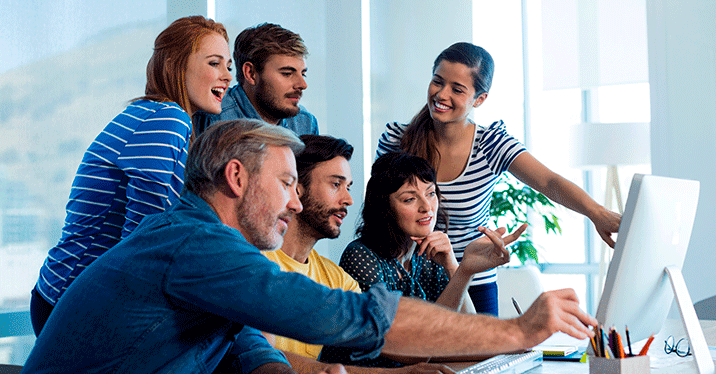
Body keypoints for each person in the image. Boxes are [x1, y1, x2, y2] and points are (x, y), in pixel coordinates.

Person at [22, 120, 597, 374]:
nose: (296, 204)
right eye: (287, 184)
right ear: (236, 180)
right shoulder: (195, 245)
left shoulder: (195, 246)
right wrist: (520, 334)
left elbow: (248, 353)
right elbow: (348, 318)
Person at [377, 42, 622, 315]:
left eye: (457, 89)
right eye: (438, 81)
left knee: (484, 359)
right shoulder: (398, 140)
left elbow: (547, 181)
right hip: (409, 282)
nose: (442, 94)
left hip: (473, 283)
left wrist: (596, 213)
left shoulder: (490, 143)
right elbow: (379, 210)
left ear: (479, 99)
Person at [29, 15, 233, 336]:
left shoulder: (153, 114)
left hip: (68, 293)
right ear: (176, 65)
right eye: (214, 63)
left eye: (229, 66)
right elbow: (146, 240)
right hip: (77, 302)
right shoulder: (168, 118)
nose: (226, 76)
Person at [262, 135, 454, 373]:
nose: (349, 200)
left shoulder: (337, 279)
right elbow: (261, 357)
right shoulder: (254, 262)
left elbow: (395, 342)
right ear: (296, 189)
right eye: (336, 185)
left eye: (349, 187)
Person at [338, 151, 527, 314]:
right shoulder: (360, 256)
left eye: (430, 193)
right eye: (410, 199)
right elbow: (408, 345)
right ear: (383, 207)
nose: (427, 207)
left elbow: (465, 329)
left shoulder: (429, 254)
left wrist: (457, 267)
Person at [193, 22, 318, 136]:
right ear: (251, 73)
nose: (303, 84)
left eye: (303, 74)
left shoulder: (306, 123)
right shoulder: (212, 119)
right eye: (287, 73)